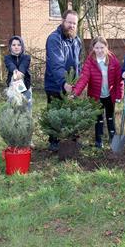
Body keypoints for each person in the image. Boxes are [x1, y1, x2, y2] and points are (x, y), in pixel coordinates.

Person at [72, 36, 124, 148]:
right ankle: (98, 142)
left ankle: (113, 142)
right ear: (93, 48)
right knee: (98, 119)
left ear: (106, 47)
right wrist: (75, 92)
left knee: (110, 118)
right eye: (96, 48)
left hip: (110, 95)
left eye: (102, 47)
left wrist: (119, 95)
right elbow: (83, 78)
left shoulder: (113, 61)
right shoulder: (90, 62)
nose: (99, 50)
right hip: (96, 96)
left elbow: (118, 80)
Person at [44, 10, 82, 151]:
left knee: (72, 112)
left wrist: (78, 83)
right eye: (69, 22)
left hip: (72, 84)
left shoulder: (77, 40)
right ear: (63, 21)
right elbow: (56, 64)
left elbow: (79, 63)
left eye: (74, 23)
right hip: (55, 84)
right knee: (55, 114)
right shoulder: (54, 39)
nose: (71, 25)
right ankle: (53, 141)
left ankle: (72, 141)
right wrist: (63, 82)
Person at [4, 36, 32, 110]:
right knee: (13, 110)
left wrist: (20, 72)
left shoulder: (26, 57)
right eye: (14, 45)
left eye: (19, 45)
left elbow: (24, 65)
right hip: (12, 87)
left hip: (26, 87)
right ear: (10, 47)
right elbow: (10, 65)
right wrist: (15, 71)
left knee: (26, 110)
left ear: (22, 46)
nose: (16, 47)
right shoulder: (7, 58)